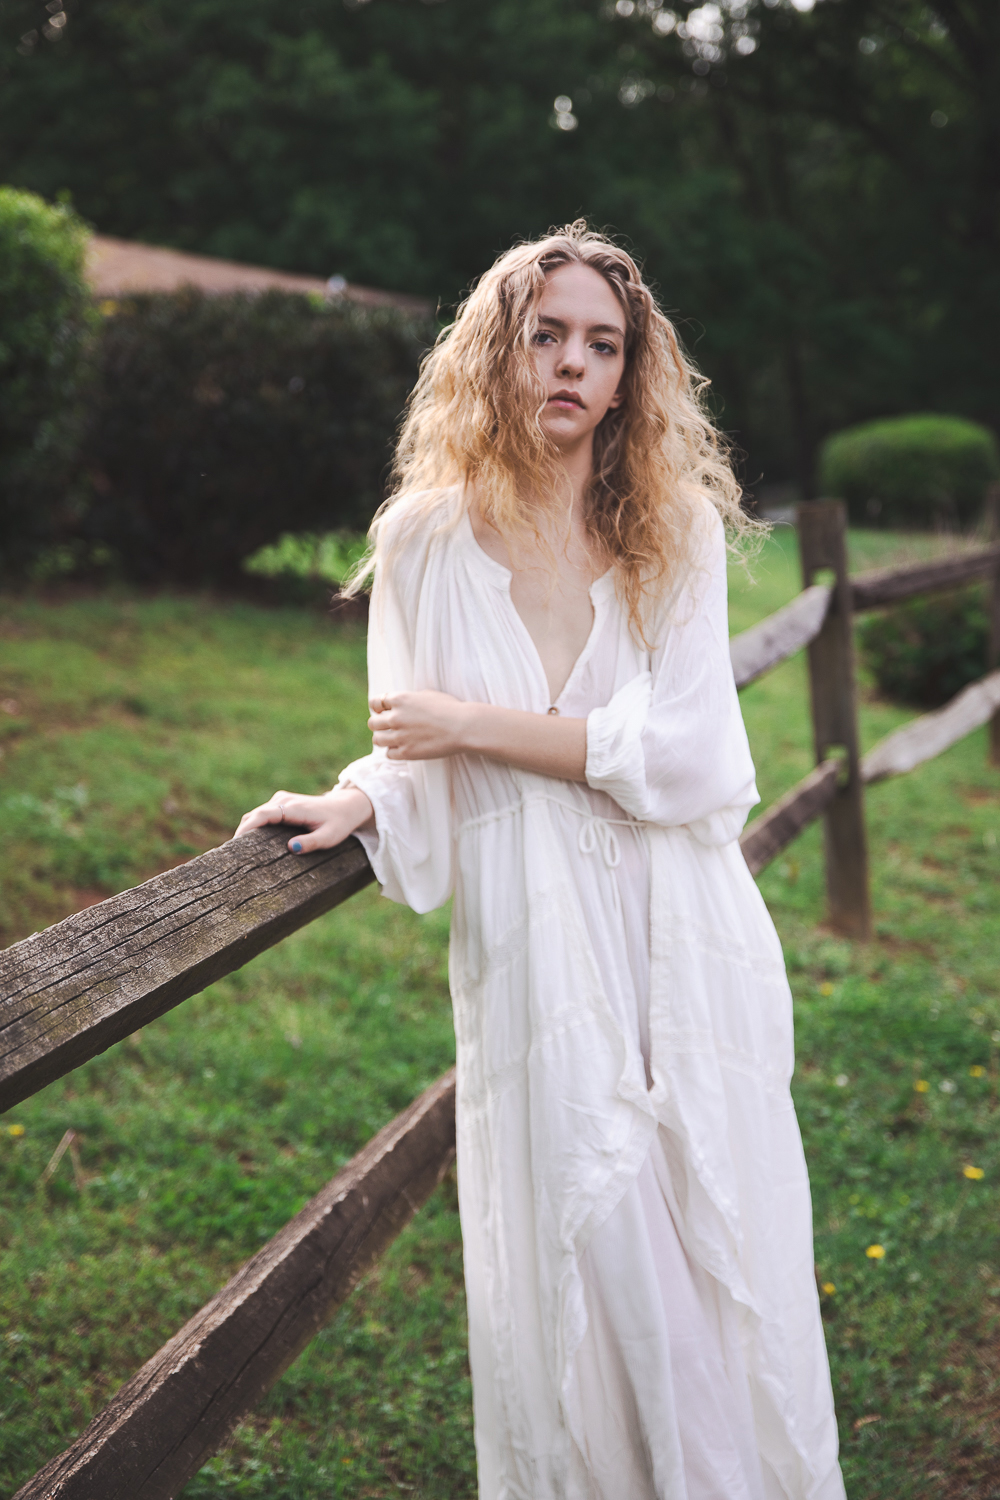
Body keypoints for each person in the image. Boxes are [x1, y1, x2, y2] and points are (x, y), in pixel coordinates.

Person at [235, 222, 845, 1500]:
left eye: (602, 345)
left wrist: (477, 725)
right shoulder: (422, 540)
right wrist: (358, 796)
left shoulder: (673, 528)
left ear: (629, 378)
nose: (572, 363)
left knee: (718, 1258)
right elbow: (412, 747)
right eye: (545, 334)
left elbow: (693, 760)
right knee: (593, 1257)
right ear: (494, 353)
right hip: (539, 953)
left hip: (687, 941)